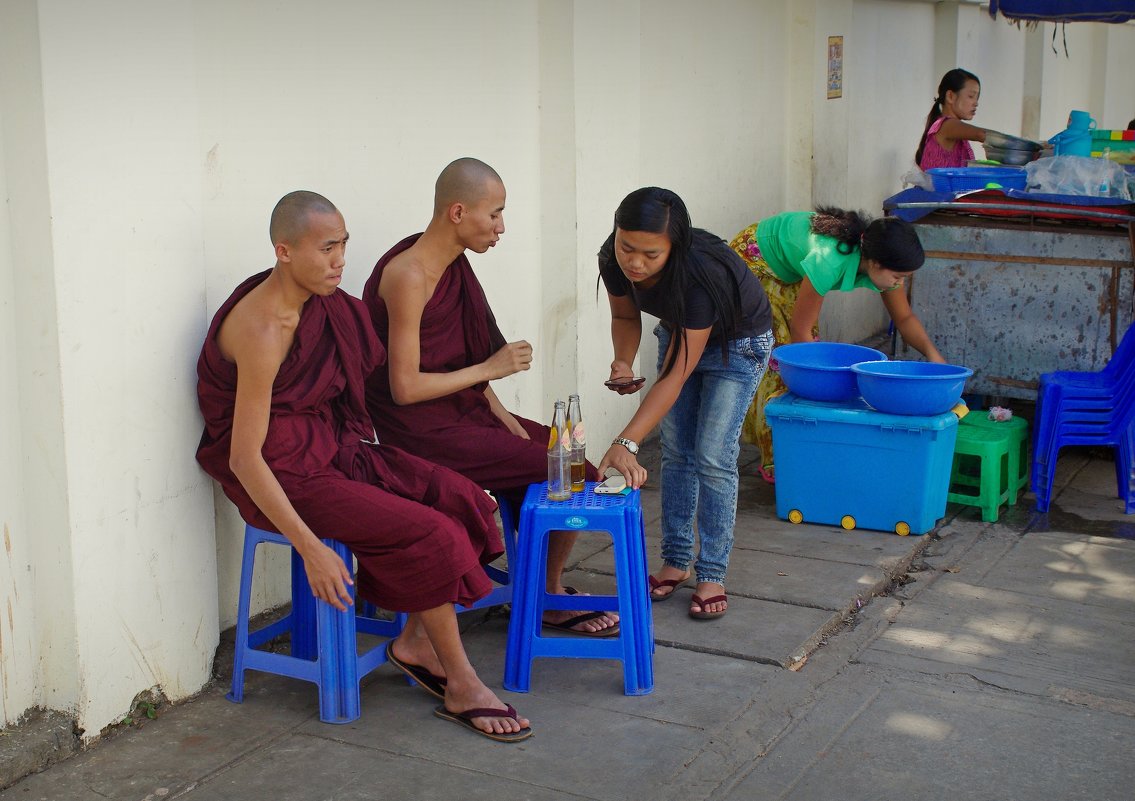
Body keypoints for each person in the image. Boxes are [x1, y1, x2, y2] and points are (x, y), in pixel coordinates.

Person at [196, 190, 531, 742]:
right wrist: (310, 549)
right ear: (284, 251)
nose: (340, 261)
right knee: (432, 531)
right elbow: (244, 456)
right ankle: (461, 682)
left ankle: (416, 643)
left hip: (334, 449)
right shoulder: (264, 328)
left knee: (461, 496)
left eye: (344, 245)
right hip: (286, 474)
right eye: (326, 248)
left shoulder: (324, 305)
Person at [362, 158, 618, 637]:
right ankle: (546, 599)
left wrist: (503, 418)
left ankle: (543, 589)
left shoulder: (454, 266)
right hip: (419, 431)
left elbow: (474, 367)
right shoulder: (408, 275)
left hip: (463, 414)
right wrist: (491, 370)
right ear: (457, 212)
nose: (502, 227)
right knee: (566, 470)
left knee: (571, 459)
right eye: (494, 214)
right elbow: (405, 388)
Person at [596, 187, 774, 621]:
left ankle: (711, 572)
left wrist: (627, 441)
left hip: (739, 345)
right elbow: (624, 317)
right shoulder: (614, 258)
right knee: (677, 452)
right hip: (680, 333)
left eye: (650, 255)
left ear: (674, 247)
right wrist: (622, 360)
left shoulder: (698, 275)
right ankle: (676, 559)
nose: (635, 263)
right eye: (627, 247)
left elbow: (675, 376)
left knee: (713, 455)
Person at [729, 207, 943, 483]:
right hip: (753, 259)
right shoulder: (828, 260)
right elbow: (800, 332)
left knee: (800, 356)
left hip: (789, 270)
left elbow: (904, 317)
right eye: (898, 277)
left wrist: (934, 357)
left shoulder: (884, 264)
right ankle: (780, 462)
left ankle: (796, 447)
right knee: (778, 361)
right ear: (875, 263)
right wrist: (815, 387)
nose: (899, 283)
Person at [916, 68, 985, 169]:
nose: (976, 103)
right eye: (971, 96)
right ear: (950, 96)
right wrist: (1012, 145)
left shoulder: (952, 128)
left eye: (977, 98)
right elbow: (981, 134)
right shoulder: (946, 125)